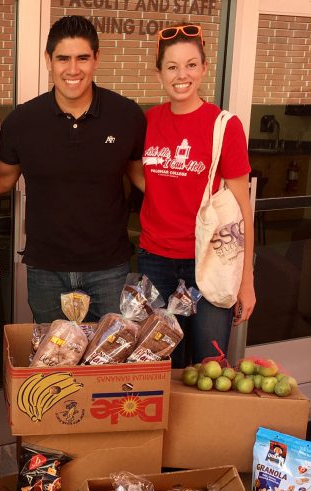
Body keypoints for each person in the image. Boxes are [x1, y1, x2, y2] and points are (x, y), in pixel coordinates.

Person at [0, 15, 146, 323]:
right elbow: (2, 180)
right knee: (53, 360)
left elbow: (141, 176)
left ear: (97, 59)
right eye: (63, 58)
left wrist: (194, 198)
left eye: (82, 58)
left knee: (107, 363)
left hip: (109, 269)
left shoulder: (126, 115)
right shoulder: (23, 121)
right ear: (49, 60)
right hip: (46, 269)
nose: (73, 69)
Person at [130, 24, 255, 367]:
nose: (181, 75)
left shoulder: (224, 125)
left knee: (208, 363)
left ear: (203, 68)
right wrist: (165, 189)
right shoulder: (148, 121)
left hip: (211, 261)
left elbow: (243, 209)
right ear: (159, 73)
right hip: (155, 260)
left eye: (190, 64)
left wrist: (247, 281)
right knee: (157, 363)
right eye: (171, 66)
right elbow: (136, 170)